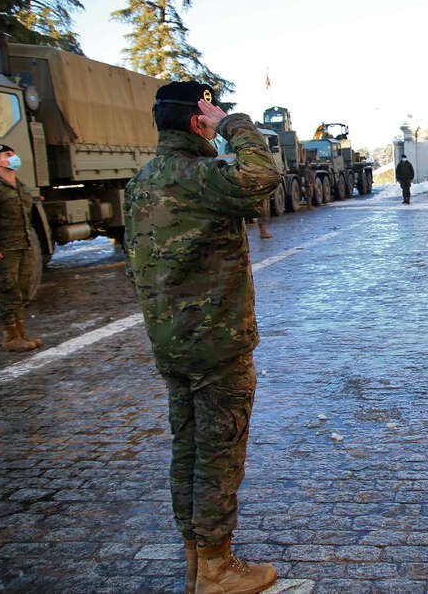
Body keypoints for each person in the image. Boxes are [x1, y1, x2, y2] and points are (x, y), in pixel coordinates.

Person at [123, 82, 281, 593]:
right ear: (198, 121)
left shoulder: (141, 181)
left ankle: (196, 561)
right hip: (216, 343)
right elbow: (263, 174)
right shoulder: (202, 176)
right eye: (208, 116)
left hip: (171, 343)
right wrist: (233, 124)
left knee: (188, 449)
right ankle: (216, 568)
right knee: (219, 452)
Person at [0, 144, 41, 352]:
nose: (13, 157)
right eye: (7, 155)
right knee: (8, 291)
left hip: (23, 245)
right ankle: (10, 338)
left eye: (13, 153)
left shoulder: (19, 185)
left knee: (22, 290)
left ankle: (21, 333)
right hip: (5, 248)